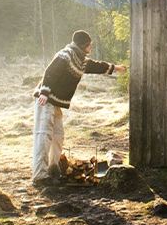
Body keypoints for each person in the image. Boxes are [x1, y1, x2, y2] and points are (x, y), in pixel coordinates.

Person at [30, 30, 126, 187]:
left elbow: (95, 66)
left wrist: (114, 68)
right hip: (45, 100)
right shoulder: (65, 55)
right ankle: (40, 176)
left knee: (58, 135)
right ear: (83, 45)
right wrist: (44, 92)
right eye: (90, 45)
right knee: (44, 136)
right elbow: (50, 72)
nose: (91, 48)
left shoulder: (80, 60)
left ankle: (53, 170)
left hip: (56, 103)